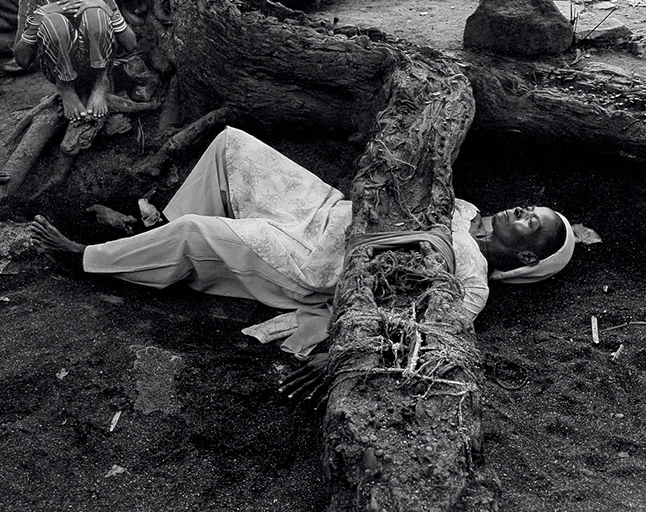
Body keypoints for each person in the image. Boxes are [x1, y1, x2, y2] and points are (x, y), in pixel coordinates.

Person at [30, 127, 575, 385]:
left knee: (198, 233)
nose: (521, 209)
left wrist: (340, 352)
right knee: (231, 146)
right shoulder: (467, 207)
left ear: (527, 257)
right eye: (531, 206)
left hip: (317, 257)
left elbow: (424, 329)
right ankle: (156, 236)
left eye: (532, 221)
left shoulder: (472, 282)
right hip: (326, 207)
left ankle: (89, 258)